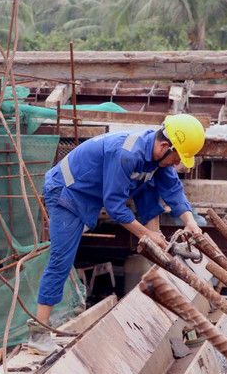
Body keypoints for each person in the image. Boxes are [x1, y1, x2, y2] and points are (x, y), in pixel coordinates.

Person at [28, 114, 206, 354]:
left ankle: (158, 247)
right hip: (67, 193)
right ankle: (38, 334)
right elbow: (115, 207)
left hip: (93, 191)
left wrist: (190, 222)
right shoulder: (127, 154)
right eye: (177, 158)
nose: (177, 164)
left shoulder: (156, 155)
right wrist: (145, 234)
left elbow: (172, 190)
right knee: (61, 260)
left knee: (151, 183)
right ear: (165, 146)